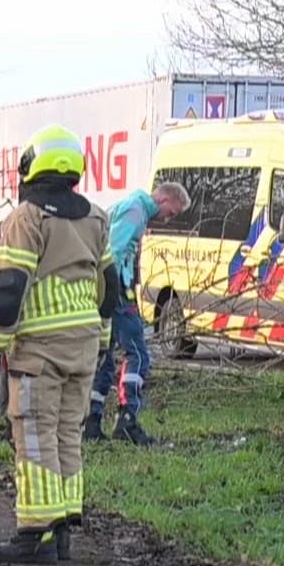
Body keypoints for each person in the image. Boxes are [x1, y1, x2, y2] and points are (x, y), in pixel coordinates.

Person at [0, 124, 120, 565]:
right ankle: (61, 528)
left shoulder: (27, 218)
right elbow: (111, 287)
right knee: (66, 435)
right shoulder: (96, 217)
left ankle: (34, 533)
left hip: (39, 348)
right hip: (83, 344)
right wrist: (103, 341)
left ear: (31, 166)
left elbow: (9, 290)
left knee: (34, 436)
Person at [84, 181, 189, 446]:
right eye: (171, 213)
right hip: (116, 293)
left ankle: (92, 423)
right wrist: (115, 294)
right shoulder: (135, 210)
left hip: (106, 292)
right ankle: (127, 419)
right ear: (164, 199)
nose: (167, 219)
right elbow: (113, 254)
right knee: (139, 354)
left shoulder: (131, 207)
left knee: (105, 358)